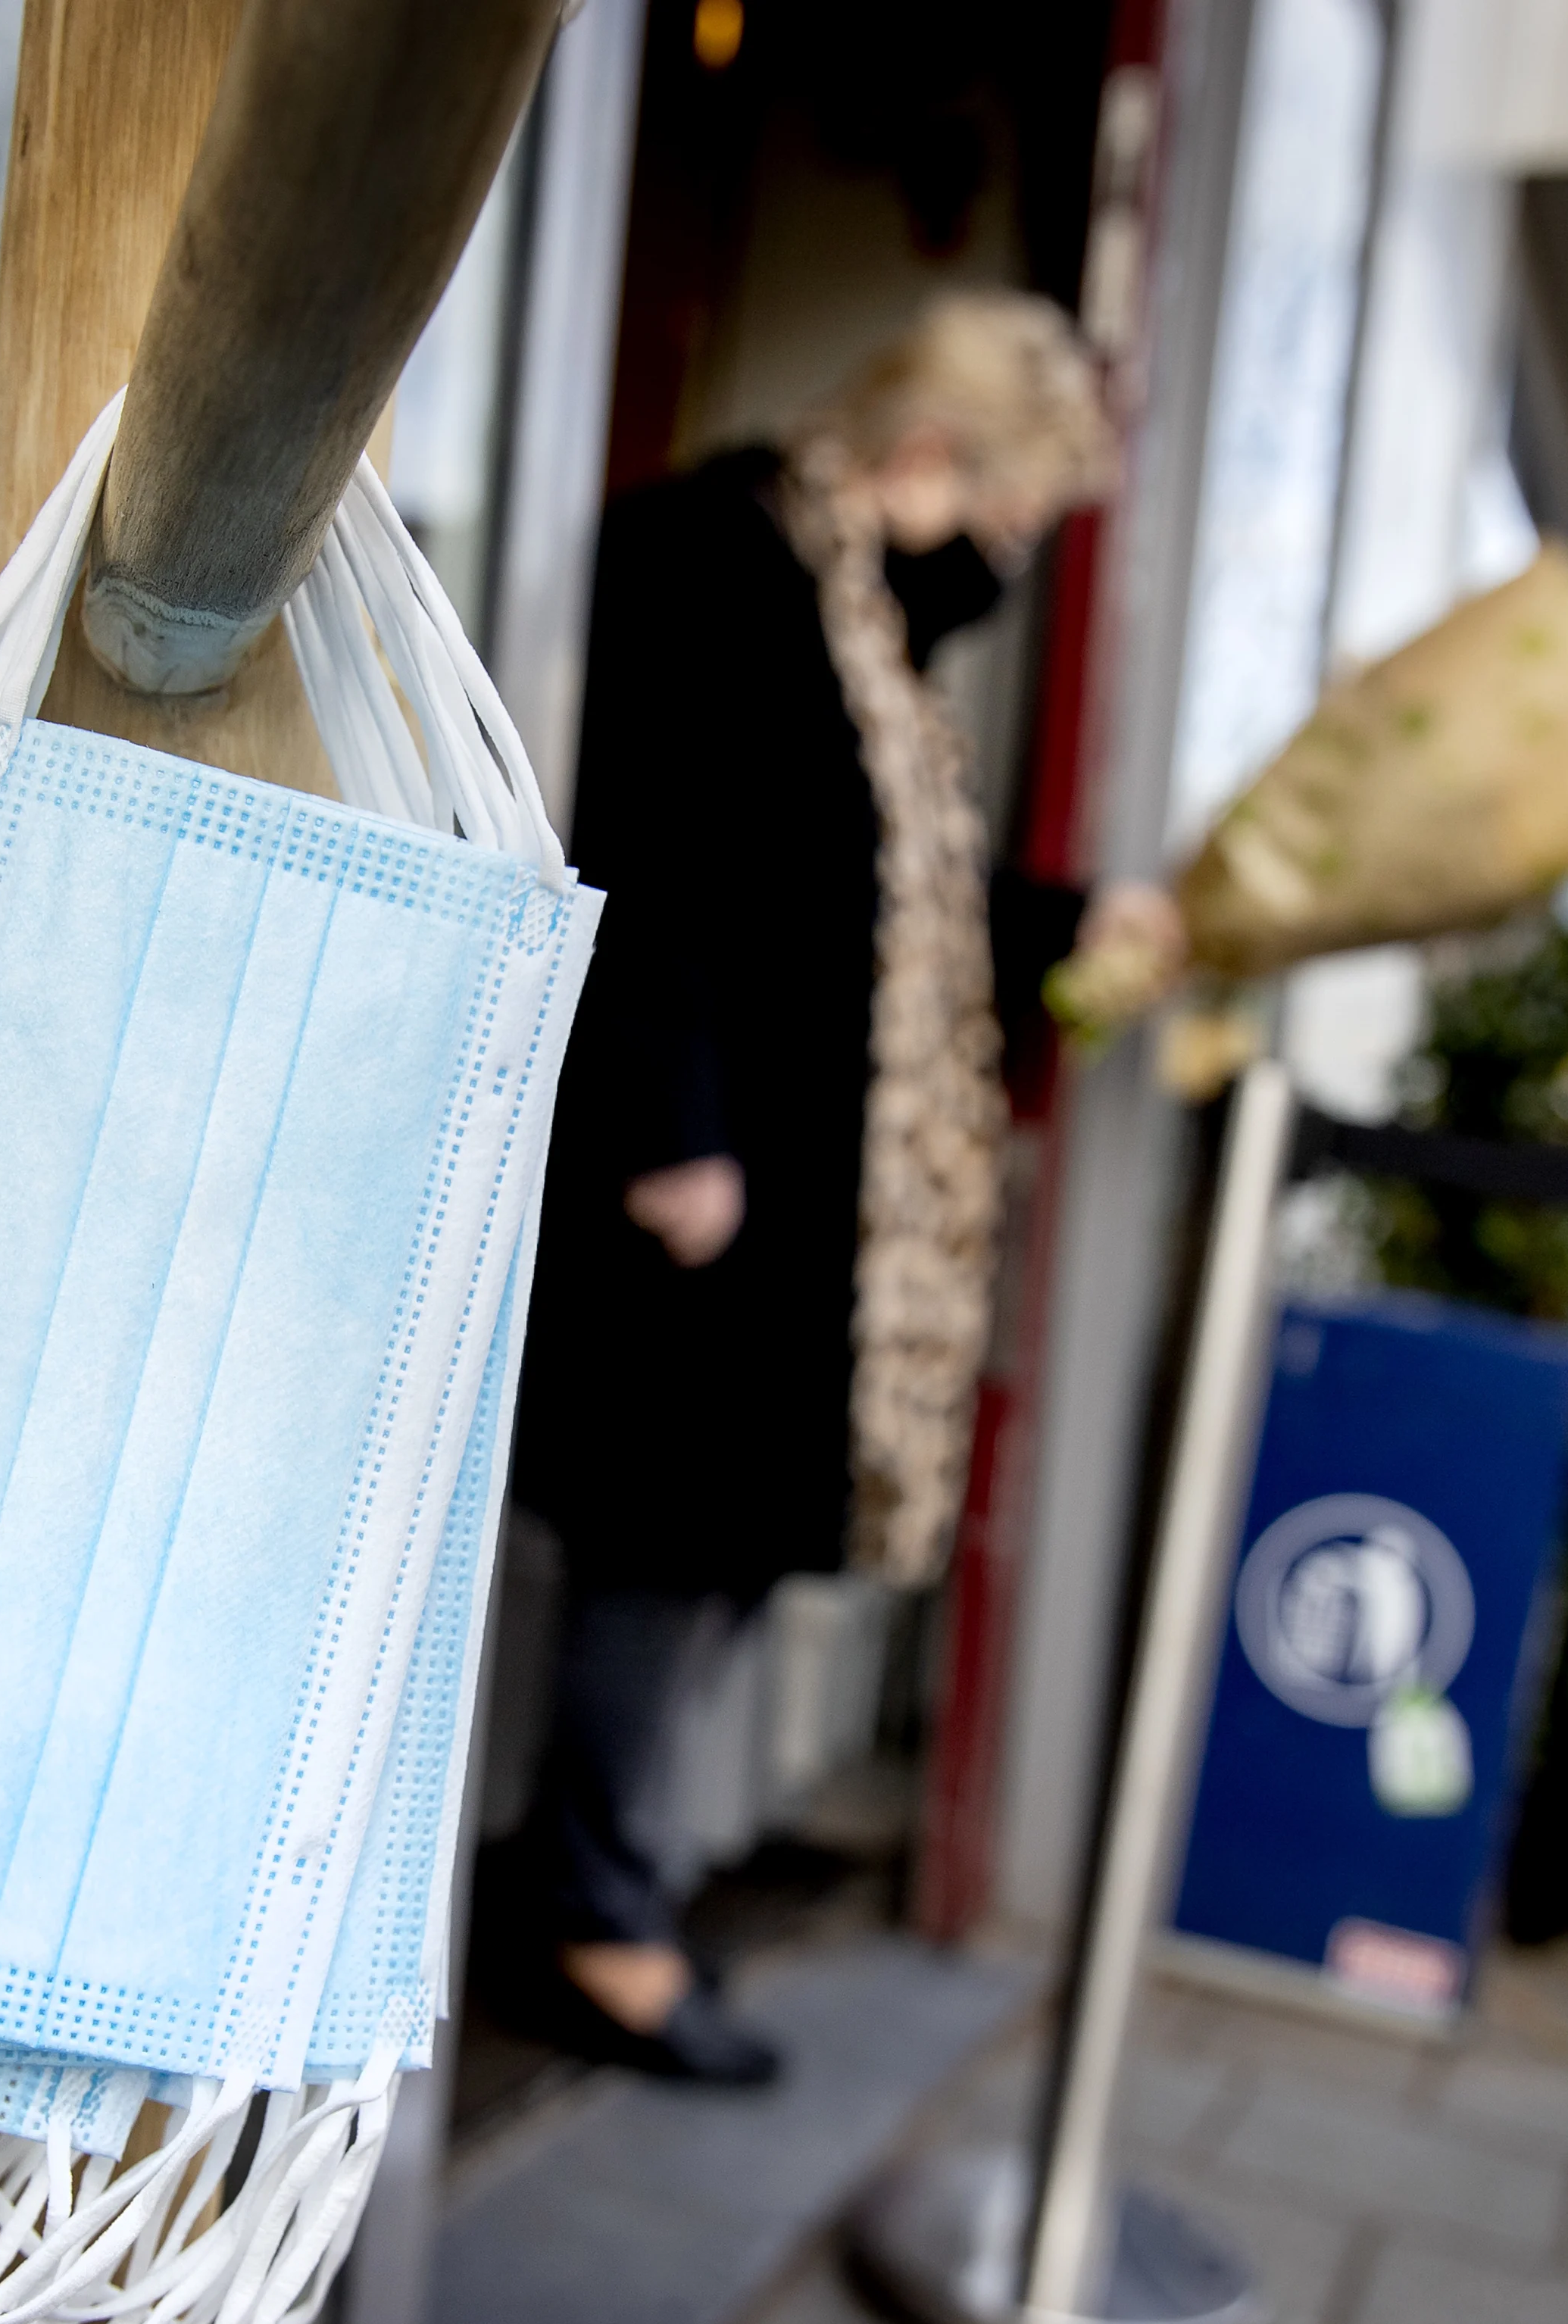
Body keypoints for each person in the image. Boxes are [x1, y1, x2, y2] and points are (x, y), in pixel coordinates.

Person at [506, 291, 1177, 2081]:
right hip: (704, 1173)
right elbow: (639, 844)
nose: (1014, 561)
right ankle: (590, 1919)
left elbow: (881, 904)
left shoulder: (862, 622)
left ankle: (601, 1882)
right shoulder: (712, 562)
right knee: (661, 1556)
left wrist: (1066, 921)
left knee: (706, 1564)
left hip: (800, 1189)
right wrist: (671, 1132)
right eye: (1018, 516)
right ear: (932, 457)